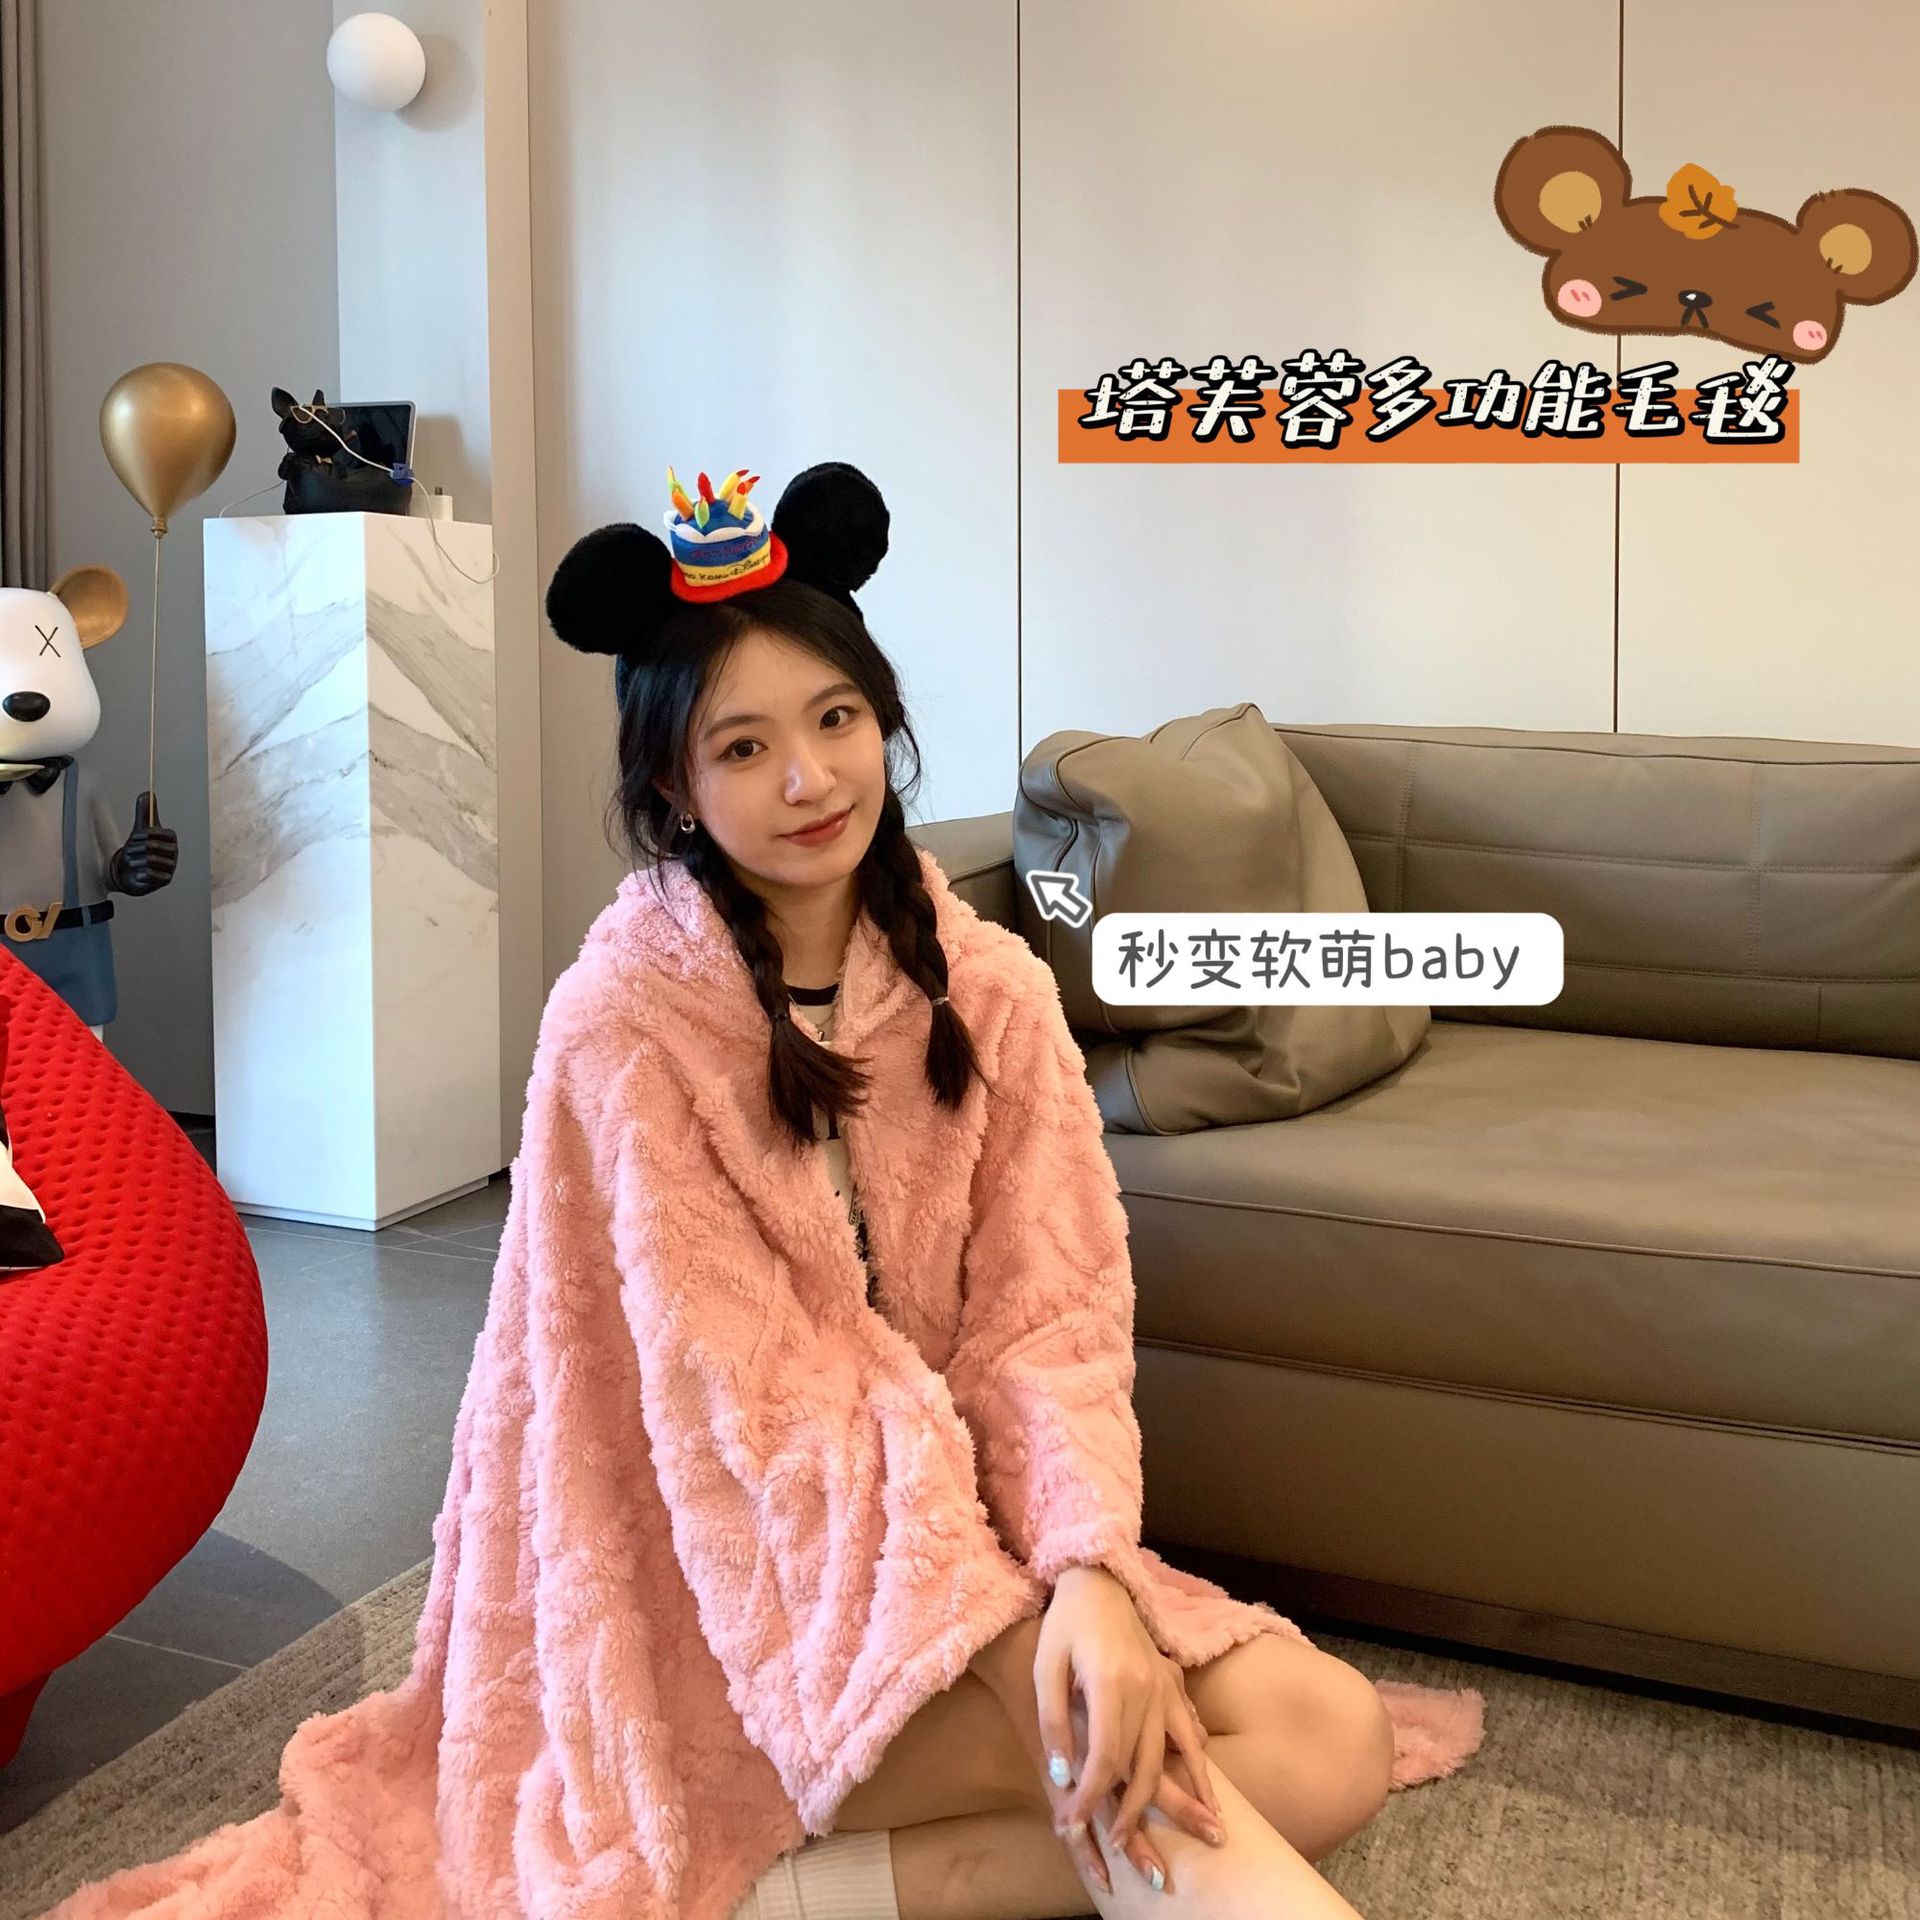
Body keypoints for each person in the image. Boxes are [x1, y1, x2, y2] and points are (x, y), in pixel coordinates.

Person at [541, 460, 1416, 1920]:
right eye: (744, 747)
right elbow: (746, 1413)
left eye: (836, 720)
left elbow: (1052, 1315)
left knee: (1334, 1736)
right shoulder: (624, 1025)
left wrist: (1087, 1575)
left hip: (975, 1539)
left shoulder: (989, 986)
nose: (811, 778)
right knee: (1145, 1755)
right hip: (753, 1593)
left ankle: (840, 1896)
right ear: (674, 787)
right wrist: (1024, 1652)